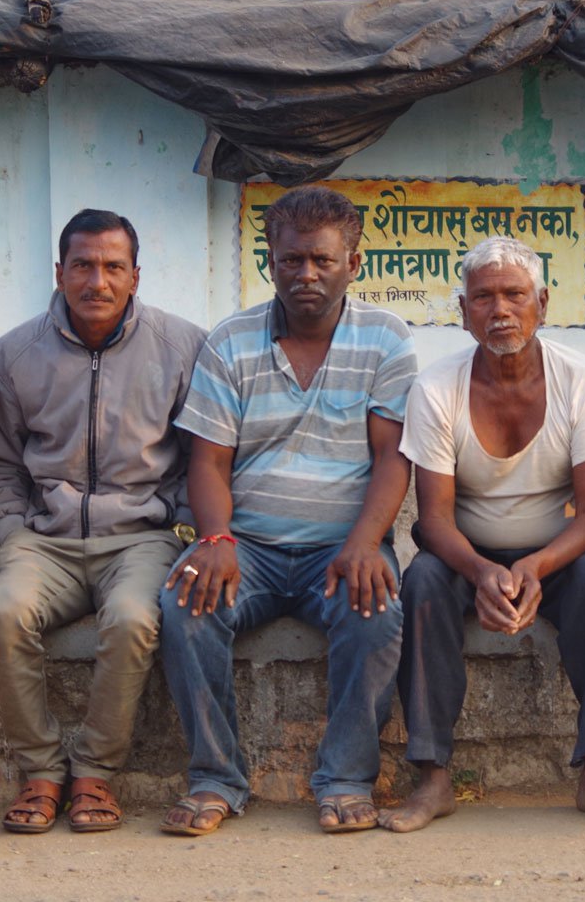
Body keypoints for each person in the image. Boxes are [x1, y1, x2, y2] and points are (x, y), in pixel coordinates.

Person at [159, 185, 417, 835]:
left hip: (343, 547)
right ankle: (215, 777)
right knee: (184, 603)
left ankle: (346, 777)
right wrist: (215, 535)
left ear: (353, 264)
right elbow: (208, 460)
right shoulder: (231, 342)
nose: (306, 274)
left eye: (323, 261)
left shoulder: (386, 340)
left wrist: (365, 542)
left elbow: (393, 458)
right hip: (249, 548)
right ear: (268, 259)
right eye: (292, 259)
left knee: (378, 613)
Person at [380, 236, 585, 833]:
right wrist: (481, 571)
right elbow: (433, 520)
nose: (500, 310)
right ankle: (432, 776)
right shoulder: (436, 388)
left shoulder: (581, 382)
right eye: (483, 298)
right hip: (464, 558)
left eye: (514, 295)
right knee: (422, 579)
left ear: (542, 302)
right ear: (463, 312)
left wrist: (535, 567)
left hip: (557, 554)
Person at [0, 209, 207, 834]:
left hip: (142, 537)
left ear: (136, 276)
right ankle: (42, 772)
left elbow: (201, 459)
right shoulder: (13, 353)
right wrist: (12, 528)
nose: (96, 282)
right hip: (44, 541)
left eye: (112, 267)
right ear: (59, 271)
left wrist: (182, 531)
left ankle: (95, 775)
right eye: (82, 265)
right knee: (1, 613)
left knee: (134, 619)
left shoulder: (184, 346)